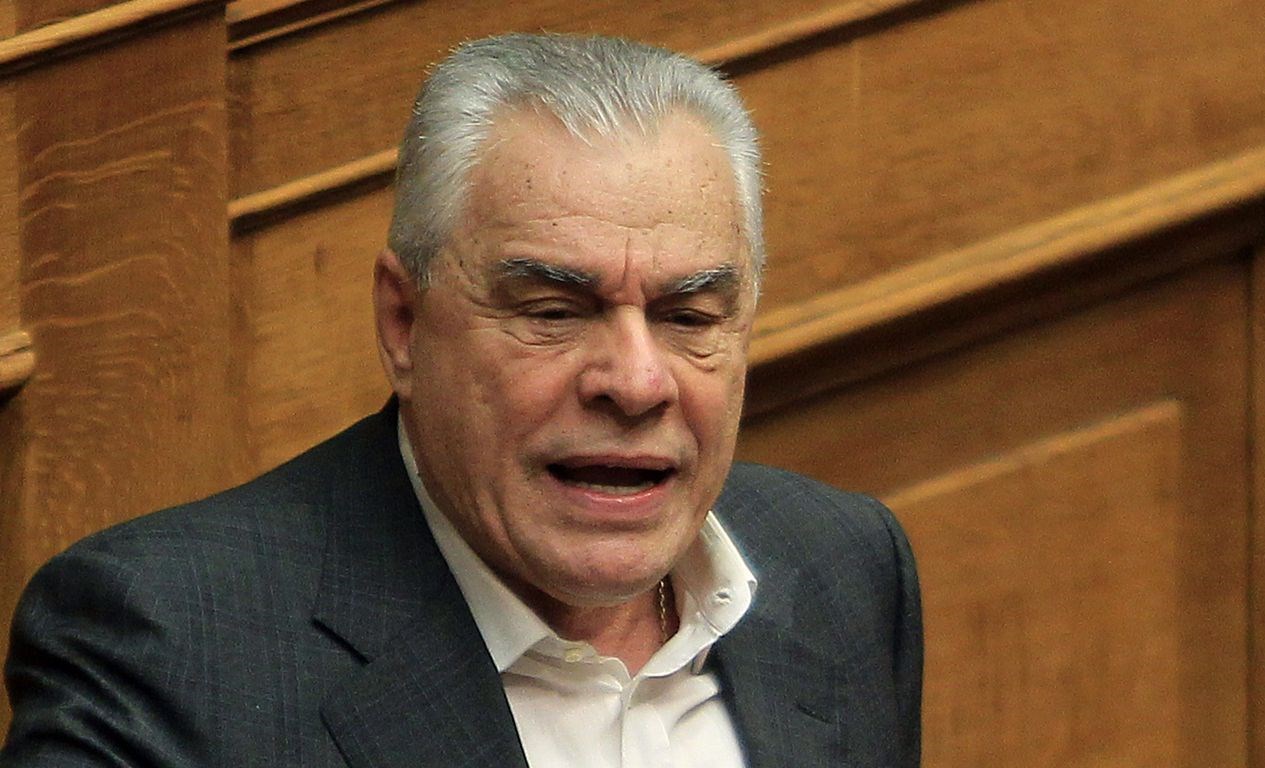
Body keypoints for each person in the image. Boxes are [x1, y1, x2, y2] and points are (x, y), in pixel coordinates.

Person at [1, 33, 921, 767]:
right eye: (553, 312)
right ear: (403, 323)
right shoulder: (171, 643)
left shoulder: (839, 565)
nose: (637, 383)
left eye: (688, 317)